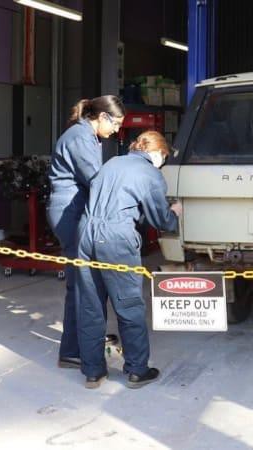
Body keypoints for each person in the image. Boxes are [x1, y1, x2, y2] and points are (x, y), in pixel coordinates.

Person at [75, 131, 182, 389]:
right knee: (129, 304)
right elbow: (160, 220)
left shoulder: (112, 162)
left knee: (90, 305)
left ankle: (93, 372)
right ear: (157, 153)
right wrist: (175, 213)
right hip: (116, 237)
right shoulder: (150, 173)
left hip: (85, 234)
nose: (162, 163)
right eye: (164, 158)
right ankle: (137, 370)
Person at [47, 96, 124, 369]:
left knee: (81, 282)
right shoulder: (80, 137)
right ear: (102, 117)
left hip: (73, 210)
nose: (117, 130)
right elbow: (96, 180)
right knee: (84, 283)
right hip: (70, 212)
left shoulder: (87, 136)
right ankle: (76, 349)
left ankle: (78, 344)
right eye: (115, 123)